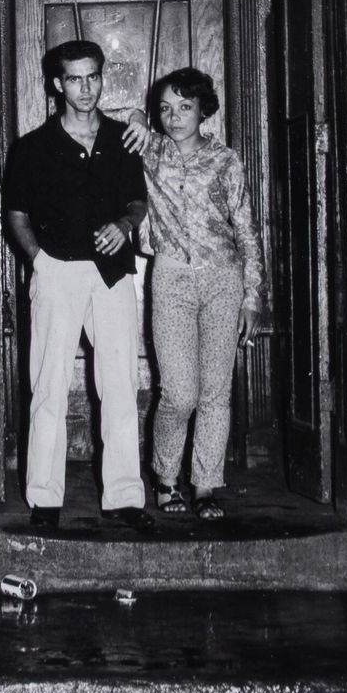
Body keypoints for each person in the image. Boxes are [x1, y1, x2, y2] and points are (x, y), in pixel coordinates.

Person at [1, 40, 154, 532]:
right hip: (57, 271)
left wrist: (125, 226)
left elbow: (137, 201)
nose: (86, 88)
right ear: (57, 84)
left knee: (120, 384)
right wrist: (39, 261)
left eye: (93, 77)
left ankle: (125, 497)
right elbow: (17, 216)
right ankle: (44, 497)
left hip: (112, 274)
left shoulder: (122, 138)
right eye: (75, 79)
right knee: (47, 385)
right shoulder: (33, 147)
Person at [122, 68, 265, 520]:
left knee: (215, 392)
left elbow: (246, 230)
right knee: (180, 392)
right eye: (165, 108)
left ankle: (205, 485)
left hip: (224, 279)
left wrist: (253, 297)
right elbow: (107, 122)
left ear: (203, 109)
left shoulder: (226, 161)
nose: (175, 116)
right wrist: (136, 116)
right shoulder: (149, 152)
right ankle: (165, 478)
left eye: (184, 107)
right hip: (171, 279)